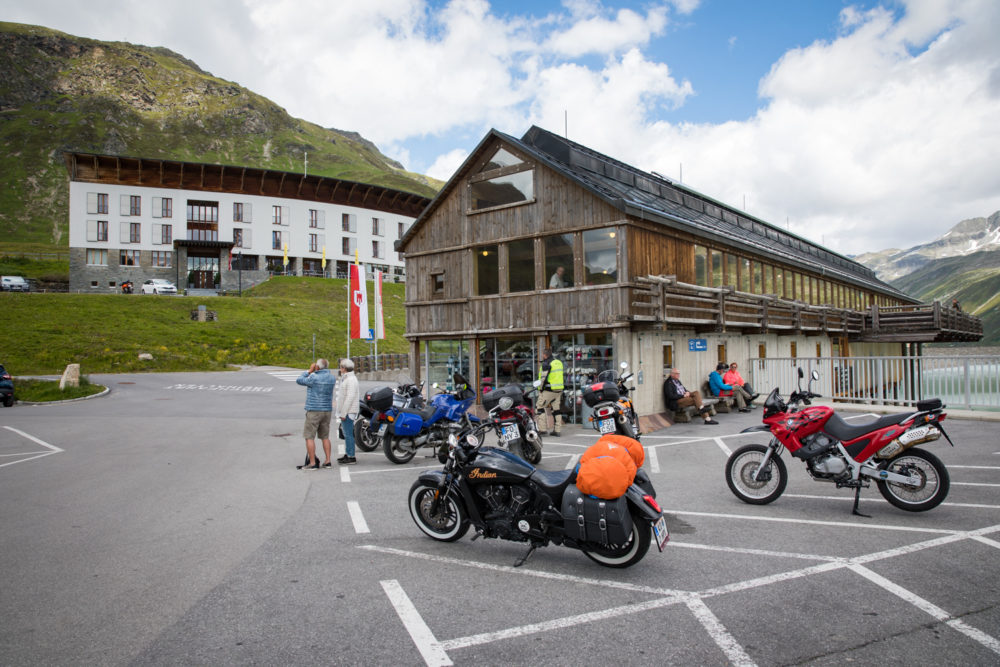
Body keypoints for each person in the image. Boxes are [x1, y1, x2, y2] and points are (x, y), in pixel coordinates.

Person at [295, 358, 336, 469]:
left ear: (317, 367)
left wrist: (309, 371)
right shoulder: (332, 378)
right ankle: (328, 461)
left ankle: (312, 463)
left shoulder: (313, 377)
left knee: (309, 437)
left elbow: (299, 380)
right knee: (325, 436)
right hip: (327, 410)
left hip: (314, 409)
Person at [335, 358, 360, 465]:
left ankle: (351, 456)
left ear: (344, 368)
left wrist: (343, 413)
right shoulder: (348, 378)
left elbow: (349, 397)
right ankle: (348, 453)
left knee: (348, 434)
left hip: (349, 411)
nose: (340, 369)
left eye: (341, 367)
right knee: (347, 433)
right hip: (348, 411)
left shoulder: (350, 380)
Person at [536, 348, 564, 436]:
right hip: (559, 389)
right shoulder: (559, 362)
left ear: (545, 355)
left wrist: (540, 389)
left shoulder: (546, 363)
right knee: (556, 409)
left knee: (540, 407)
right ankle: (557, 431)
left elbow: (543, 379)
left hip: (549, 389)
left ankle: (543, 429)